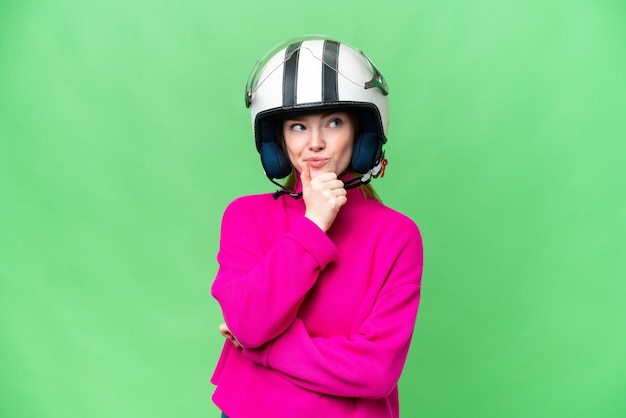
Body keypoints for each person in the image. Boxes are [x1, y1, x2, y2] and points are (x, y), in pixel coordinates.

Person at [210, 36, 423, 418]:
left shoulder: (397, 236)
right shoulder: (244, 217)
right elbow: (248, 321)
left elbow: (375, 372)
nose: (316, 144)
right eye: (297, 127)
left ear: (362, 134)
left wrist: (263, 347)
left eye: (334, 122)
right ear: (278, 140)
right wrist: (313, 224)